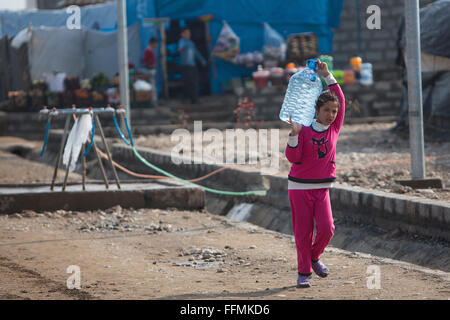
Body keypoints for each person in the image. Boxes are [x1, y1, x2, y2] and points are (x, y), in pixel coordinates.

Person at [285, 59, 345, 288]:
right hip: (299, 188)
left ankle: (313, 257)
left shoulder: (335, 129)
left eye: (334, 111)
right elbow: (293, 158)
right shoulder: (303, 129)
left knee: (328, 228)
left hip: (322, 188)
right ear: (316, 111)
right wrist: (293, 135)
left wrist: (328, 76)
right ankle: (303, 273)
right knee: (303, 233)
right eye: (326, 111)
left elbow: (341, 99)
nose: (331, 115)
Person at [178, 28, 207, 104]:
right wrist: (183, 46)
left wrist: (202, 61)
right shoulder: (182, 41)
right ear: (182, 34)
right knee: (188, 82)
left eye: (189, 33)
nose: (188, 35)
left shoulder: (191, 43)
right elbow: (180, 49)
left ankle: (194, 99)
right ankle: (190, 98)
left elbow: (196, 53)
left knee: (194, 82)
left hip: (192, 65)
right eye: (186, 33)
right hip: (185, 66)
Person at [141, 37, 158, 105]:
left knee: (153, 87)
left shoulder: (150, 50)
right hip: (150, 71)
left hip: (151, 70)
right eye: (155, 43)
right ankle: (153, 102)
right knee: (152, 87)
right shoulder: (148, 51)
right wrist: (150, 66)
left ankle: (153, 101)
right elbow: (144, 60)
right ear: (152, 43)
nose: (156, 45)